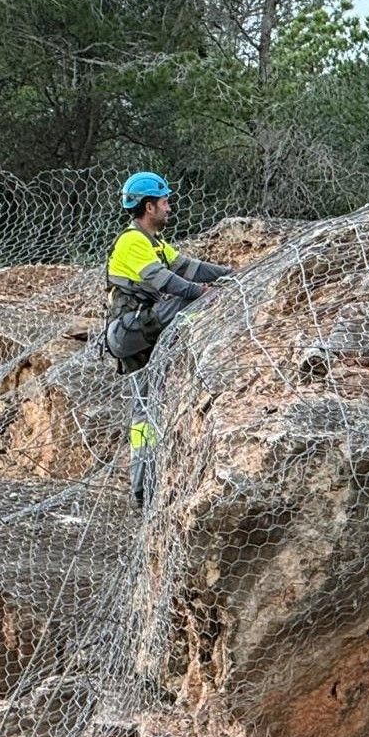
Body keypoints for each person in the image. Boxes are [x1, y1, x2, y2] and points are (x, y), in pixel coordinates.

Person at [102, 171, 233, 504]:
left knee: (145, 408)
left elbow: (190, 268)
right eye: (164, 202)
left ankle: (141, 487)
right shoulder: (132, 241)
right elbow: (168, 282)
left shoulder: (155, 243)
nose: (169, 207)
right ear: (149, 207)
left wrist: (233, 275)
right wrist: (205, 295)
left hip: (140, 329)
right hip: (128, 329)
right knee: (188, 298)